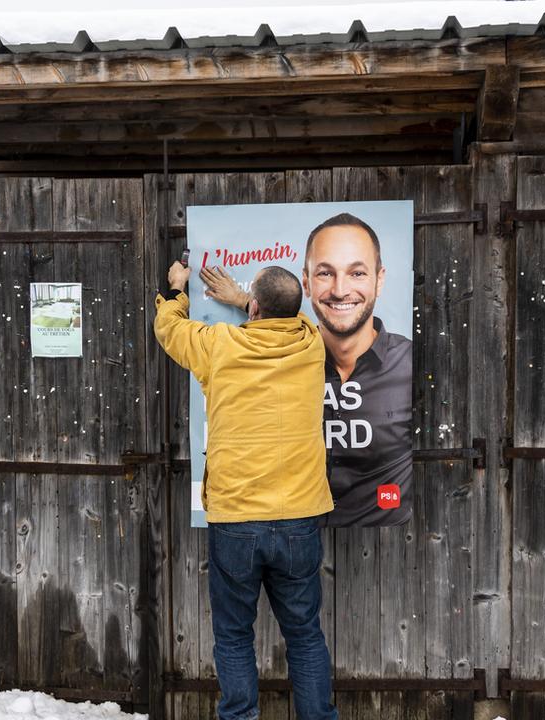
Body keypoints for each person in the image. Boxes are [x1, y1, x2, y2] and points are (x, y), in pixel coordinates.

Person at [155, 260, 339, 720]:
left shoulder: (218, 345)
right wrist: (246, 300)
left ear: (254, 307)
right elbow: (297, 316)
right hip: (300, 518)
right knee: (305, 634)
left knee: (235, 636)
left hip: (236, 519)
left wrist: (177, 289)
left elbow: (169, 329)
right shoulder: (312, 344)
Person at [202, 212, 413, 527]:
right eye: (326, 273)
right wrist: (246, 301)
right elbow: (274, 328)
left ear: (379, 279)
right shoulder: (301, 348)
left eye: (357, 273)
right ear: (306, 282)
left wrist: (247, 302)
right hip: (295, 521)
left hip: (366, 530)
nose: (340, 290)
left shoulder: (406, 360)